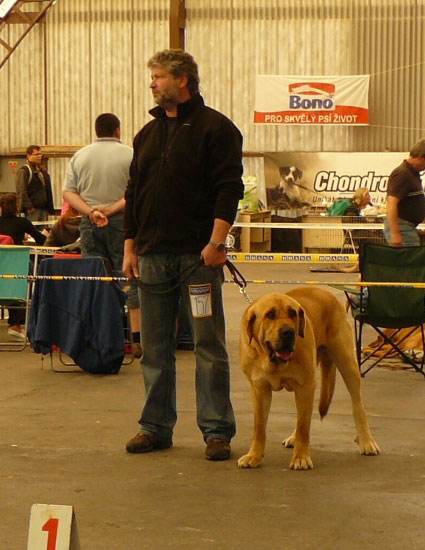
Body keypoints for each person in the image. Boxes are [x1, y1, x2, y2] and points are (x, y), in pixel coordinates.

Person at [123, 49, 243, 461]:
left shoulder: (217, 129)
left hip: (198, 259)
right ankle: (154, 427)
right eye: (152, 77)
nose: (152, 83)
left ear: (182, 80)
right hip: (152, 259)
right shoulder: (146, 135)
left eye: (158, 76)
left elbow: (229, 189)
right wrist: (129, 246)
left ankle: (216, 431)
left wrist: (216, 243)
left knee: (208, 346)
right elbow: (133, 194)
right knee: (154, 348)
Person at [62, 113, 142, 357]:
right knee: (130, 276)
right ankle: (136, 340)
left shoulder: (80, 156)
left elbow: (68, 192)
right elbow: (137, 191)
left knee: (94, 280)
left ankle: (100, 336)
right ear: (117, 130)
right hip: (123, 223)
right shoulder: (130, 154)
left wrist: (91, 212)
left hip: (90, 224)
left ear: (97, 131)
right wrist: (110, 209)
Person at [0, 193, 45, 339]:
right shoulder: (22, 222)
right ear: (16, 206)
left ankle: (17, 322)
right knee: (32, 270)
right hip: (16, 263)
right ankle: (17, 323)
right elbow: (40, 239)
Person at [385, 139, 425, 247]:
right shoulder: (402, 174)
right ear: (421, 157)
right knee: (410, 261)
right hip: (402, 229)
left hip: (406, 228)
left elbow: (409, 199)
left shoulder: (412, 174)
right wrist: (395, 233)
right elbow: (391, 204)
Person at [15, 145, 55, 222]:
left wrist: (49, 208)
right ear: (28, 155)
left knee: (41, 232)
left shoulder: (42, 171)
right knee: (30, 231)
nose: (39, 156)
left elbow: (48, 190)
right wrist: (29, 207)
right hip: (31, 210)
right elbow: (21, 190)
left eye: (40, 154)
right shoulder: (25, 171)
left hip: (42, 209)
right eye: (36, 154)